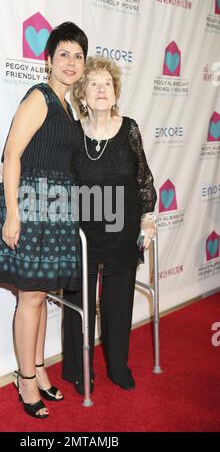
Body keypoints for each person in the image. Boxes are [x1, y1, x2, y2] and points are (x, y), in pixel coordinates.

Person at [0, 22, 88, 418]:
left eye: (78, 56)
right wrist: (13, 214)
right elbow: (12, 155)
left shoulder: (67, 106)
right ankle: (25, 380)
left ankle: (41, 371)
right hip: (28, 207)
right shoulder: (40, 98)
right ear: (47, 60)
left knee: (41, 297)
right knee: (30, 298)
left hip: (55, 210)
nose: (71, 62)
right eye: (63, 54)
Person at [62, 55, 157, 394]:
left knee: (117, 305)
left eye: (107, 84)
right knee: (78, 305)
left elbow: (143, 177)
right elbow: (53, 171)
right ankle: (77, 369)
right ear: (83, 96)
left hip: (122, 231)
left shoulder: (129, 128)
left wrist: (148, 217)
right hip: (82, 234)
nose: (101, 89)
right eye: (93, 84)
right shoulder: (73, 133)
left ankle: (118, 367)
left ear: (115, 93)